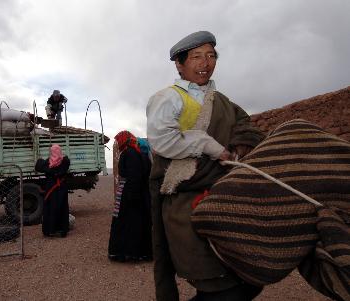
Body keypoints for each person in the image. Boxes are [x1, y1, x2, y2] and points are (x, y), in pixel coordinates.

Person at [146, 30, 265, 300]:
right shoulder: (168, 98)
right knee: (217, 285)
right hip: (188, 202)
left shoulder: (222, 101)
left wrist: (240, 148)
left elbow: (246, 126)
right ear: (180, 64)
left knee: (249, 280)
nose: (206, 63)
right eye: (197, 57)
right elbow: (163, 140)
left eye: (211, 56)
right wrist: (207, 146)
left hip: (228, 196)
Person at [108, 131, 153, 262]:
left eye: (118, 140)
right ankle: (141, 252)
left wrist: (132, 196)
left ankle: (128, 253)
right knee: (139, 222)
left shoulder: (129, 153)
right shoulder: (140, 153)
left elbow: (134, 176)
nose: (118, 142)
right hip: (140, 193)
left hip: (130, 194)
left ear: (124, 140)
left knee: (127, 223)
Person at [35, 144, 70, 237]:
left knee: (50, 208)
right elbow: (64, 167)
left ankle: (50, 230)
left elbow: (38, 166)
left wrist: (40, 160)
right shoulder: (65, 161)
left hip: (51, 187)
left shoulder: (48, 162)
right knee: (62, 208)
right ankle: (62, 230)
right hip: (61, 187)